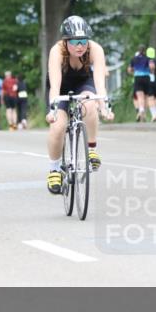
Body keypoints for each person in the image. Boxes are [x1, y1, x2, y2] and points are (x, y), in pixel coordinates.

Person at [45, 16, 113, 194]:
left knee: (90, 104)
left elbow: (99, 82)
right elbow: (55, 85)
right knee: (58, 126)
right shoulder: (57, 51)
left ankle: (91, 149)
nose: (80, 46)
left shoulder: (95, 50)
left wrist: (104, 107)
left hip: (84, 83)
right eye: (75, 42)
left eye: (83, 41)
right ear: (65, 41)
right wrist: (53, 110)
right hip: (61, 86)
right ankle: (54, 169)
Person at [128, 45, 152, 122]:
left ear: (138, 50)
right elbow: (152, 67)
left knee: (139, 96)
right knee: (146, 97)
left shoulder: (134, 59)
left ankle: (140, 110)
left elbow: (129, 69)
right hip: (146, 77)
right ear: (145, 51)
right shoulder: (148, 59)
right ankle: (144, 113)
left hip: (137, 77)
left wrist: (134, 71)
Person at [145, 47, 156, 122]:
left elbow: (151, 67)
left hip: (148, 79)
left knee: (150, 98)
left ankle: (154, 115)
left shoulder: (146, 61)